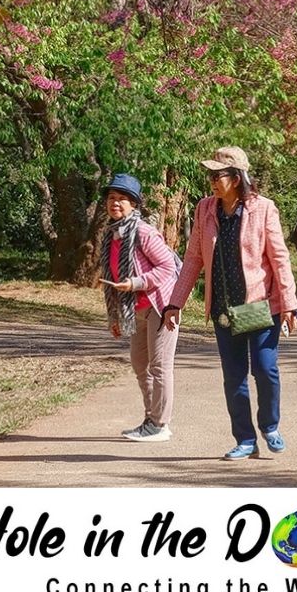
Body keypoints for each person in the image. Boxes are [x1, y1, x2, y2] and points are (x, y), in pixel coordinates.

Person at [164, 146, 297, 460]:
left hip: (259, 305)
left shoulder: (263, 208)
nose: (211, 180)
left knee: (265, 370)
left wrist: (289, 302)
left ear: (236, 178)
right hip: (223, 307)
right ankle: (245, 439)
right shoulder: (204, 209)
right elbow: (194, 258)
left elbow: (279, 258)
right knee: (234, 376)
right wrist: (175, 303)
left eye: (218, 174)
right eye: (210, 174)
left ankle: (270, 425)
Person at [99, 172, 180, 442]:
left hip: (161, 306)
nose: (116, 203)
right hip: (135, 310)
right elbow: (111, 281)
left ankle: (160, 424)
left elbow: (167, 267)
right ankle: (149, 419)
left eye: (123, 199)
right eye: (112, 198)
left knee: (159, 366)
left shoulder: (143, 232)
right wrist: (114, 316)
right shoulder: (112, 235)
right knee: (139, 365)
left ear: (134, 204)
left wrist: (136, 283)